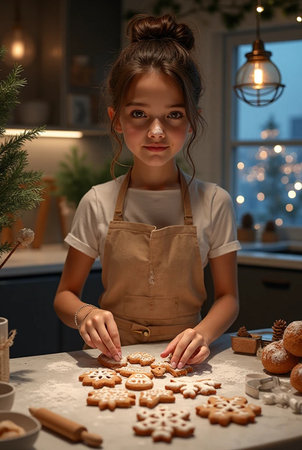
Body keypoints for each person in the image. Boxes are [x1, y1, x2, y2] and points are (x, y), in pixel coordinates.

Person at [54, 14, 240, 370]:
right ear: (117, 119)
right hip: (116, 364)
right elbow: (64, 296)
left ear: (191, 121)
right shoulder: (97, 201)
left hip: (187, 366)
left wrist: (202, 333)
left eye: (173, 115)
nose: (156, 131)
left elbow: (228, 297)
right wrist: (84, 313)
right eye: (139, 113)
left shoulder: (215, 202)